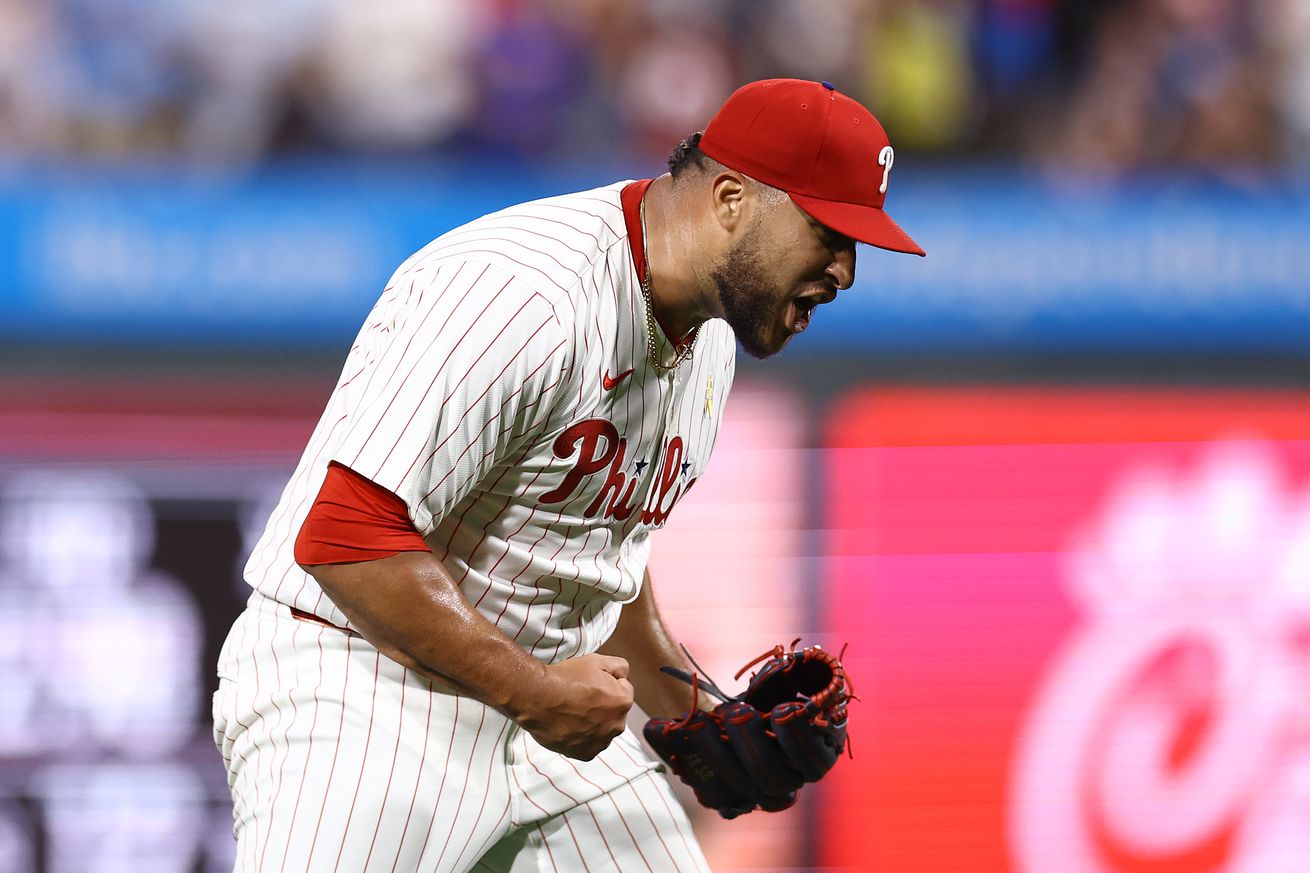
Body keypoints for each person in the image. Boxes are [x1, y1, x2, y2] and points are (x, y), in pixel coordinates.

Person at [212, 78, 924, 873]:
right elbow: (344, 536)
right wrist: (537, 694)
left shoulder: (709, 340)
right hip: (364, 687)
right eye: (829, 231)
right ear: (731, 199)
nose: (847, 270)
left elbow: (597, 546)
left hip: (548, 712)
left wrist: (694, 709)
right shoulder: (525, 294)